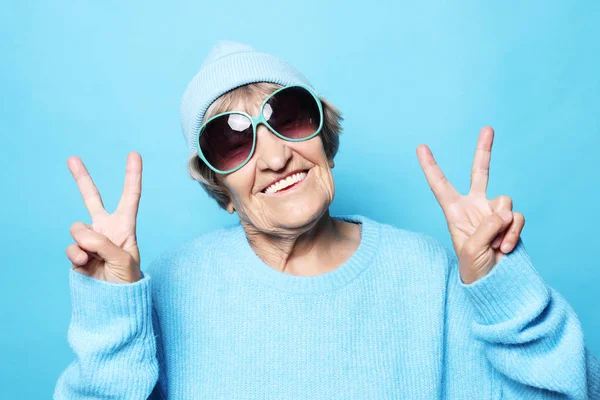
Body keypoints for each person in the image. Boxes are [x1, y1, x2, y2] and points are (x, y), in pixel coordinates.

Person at [54, 40, 600, 399]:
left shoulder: (429, 276)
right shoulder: (169, 287)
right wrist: (112, 317)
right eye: (231, 142)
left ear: (325, 140)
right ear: (220, 188)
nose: (273, 157)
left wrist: (502, 287)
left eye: (287, 118)